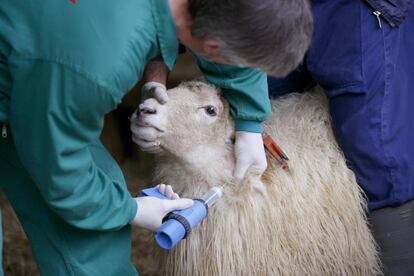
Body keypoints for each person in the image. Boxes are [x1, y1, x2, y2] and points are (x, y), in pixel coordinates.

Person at [0, 0, 312, 275]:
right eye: (239, 61)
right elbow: (60, 166)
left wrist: (249, 122)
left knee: (95, 225)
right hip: (33, 78)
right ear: (213, 48)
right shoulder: (98, 65)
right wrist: (131, 210)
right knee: (88, 201)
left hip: (38, 72)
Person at [268, 1, 414, 275]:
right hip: (283, 10)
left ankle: (400, 263)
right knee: (266, 103)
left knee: (378, 149)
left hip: (358, 10)